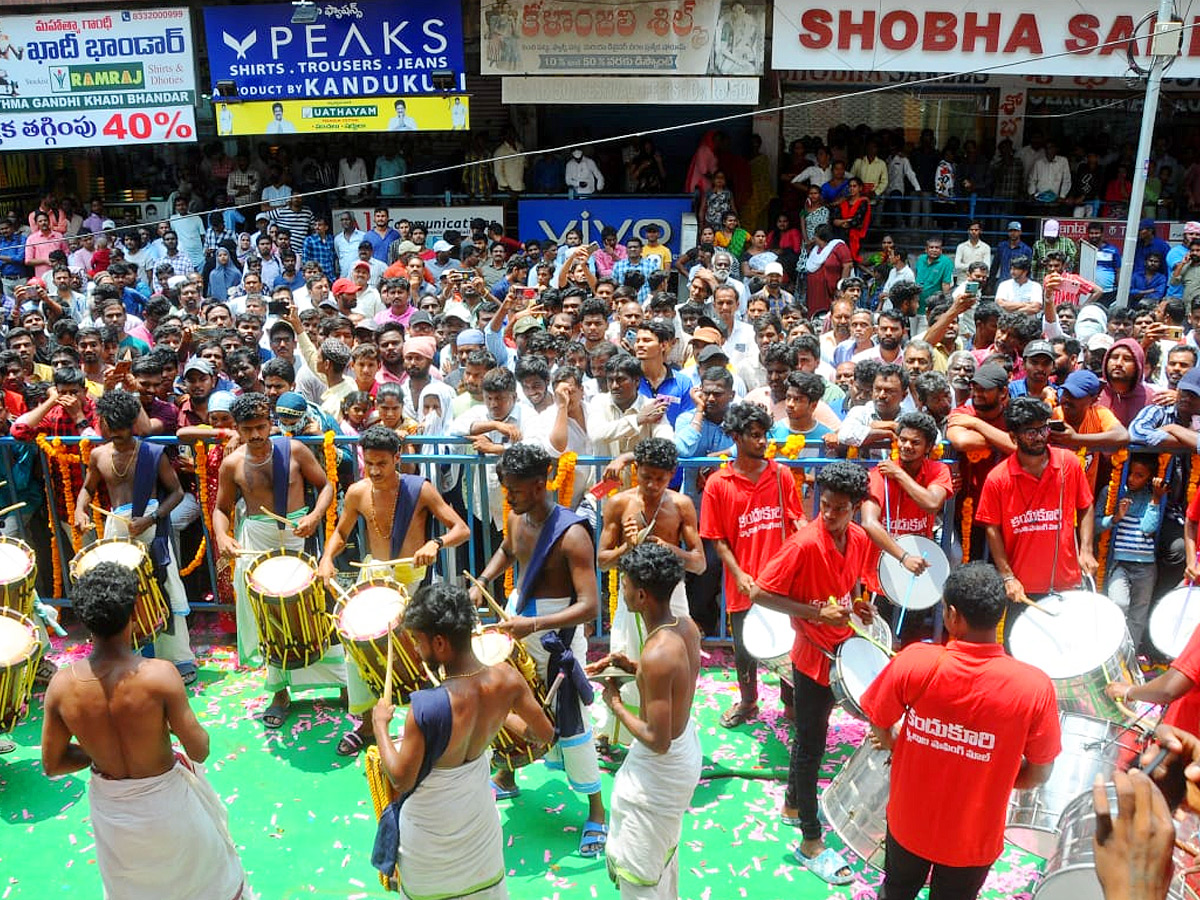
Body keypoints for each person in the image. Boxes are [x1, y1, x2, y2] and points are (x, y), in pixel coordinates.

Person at [40, 562, 248, 900]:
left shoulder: (62, 687)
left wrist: (99, 749)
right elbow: (199, 749)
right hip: (168, 806)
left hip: (114, 816)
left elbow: (53, 763)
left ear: (84, 617)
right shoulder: (160, 676)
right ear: (136, 609)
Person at [860, 563, 1060, 900]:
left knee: (896, 892)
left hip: (909, 825)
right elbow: (1039, 773)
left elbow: (879, 724)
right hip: (973, 839)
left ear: (953, 615)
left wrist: (901, 744)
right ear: (999, 614)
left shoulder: (915, 662)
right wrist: (990, 771)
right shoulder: (1034, 687)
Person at [372, 583, 554, 900]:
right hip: (480, 838)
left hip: (431, 852)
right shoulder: (507, 680)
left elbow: (401, 778)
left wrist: (380, 727)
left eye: (417, 640)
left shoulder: (425, 708)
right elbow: (543, 734)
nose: (415, 649)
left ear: (440, 643)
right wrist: (501, 714)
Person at [468, 443, 607, 857]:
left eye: (516, 490)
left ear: (541, 482)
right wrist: (483, 581)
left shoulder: (573, 533)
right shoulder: (515, 516)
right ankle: (507, 777)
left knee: (572, 723)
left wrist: (534, 624)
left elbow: (590, 605)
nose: (509, 498)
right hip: (517, 621)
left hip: (555, 637)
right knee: (506, 703)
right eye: (506, 489)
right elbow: (508, 552)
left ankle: (597, 811)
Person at [750, 461, 875, 886]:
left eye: (841, 508)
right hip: (810, 657)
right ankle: (810, 839)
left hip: (839, 650)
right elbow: (760, 592)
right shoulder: (803, 544)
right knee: (810, 747)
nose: (831, 514)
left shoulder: (857, 538)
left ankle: (790, 805)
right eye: (826, 505)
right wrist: (816, 613)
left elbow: (850, 585)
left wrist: (857, 604)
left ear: (856, 508)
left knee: (810, 738)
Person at [317, 426, 469, 755]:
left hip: (413, 578)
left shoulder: (421, 490)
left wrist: (436, 542)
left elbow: (461, 529)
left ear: (397, 459)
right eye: (368, 463)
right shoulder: (358, 492)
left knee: (417, 653)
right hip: (373, 576)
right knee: (357, 645)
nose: (373, 471)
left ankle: (425, 724)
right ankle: (369, 724)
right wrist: (327, 558)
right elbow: (341, 534)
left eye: (381, 464)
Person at [212, 392, 346, 730]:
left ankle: (341, 683)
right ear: (238, 429)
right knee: (270, 618)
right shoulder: (232, 464)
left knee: (311, 612)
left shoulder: (295, 450)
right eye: (248, 429)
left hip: (297, 537)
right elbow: (220, 510)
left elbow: (326, 486)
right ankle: (280, 692)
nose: (256, 435)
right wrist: (223, 537)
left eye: (261, 426)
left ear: (271, 423)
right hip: (255, 542)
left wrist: (315, 516)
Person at [587, 543, 703, 900]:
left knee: (639, 873)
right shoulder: (685, 627)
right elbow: (675, 682)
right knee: (662, 857)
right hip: (684, 754)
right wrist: (630, 667)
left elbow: (658, 738)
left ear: (640, 595)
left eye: (623, 585)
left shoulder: (657, 653)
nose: (620, 591)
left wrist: (616, 703)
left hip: (663, 764)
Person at [74, 391, 196, 683]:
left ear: (133, 425)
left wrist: (152, 518)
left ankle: (180, 659)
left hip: (151, 527)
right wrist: (80, 511)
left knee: (164, 588)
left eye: (122, 430)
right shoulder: (98, 455)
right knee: (121, 592)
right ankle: (128, 654)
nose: (117, 436)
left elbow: (177, 492)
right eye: (111, 430)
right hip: (117, 530)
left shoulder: (152, 454)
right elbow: (88, 489)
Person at [701, 401, 805, 726]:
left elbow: (797, 518)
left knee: (789, 646)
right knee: (745, 648)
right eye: (755, 435)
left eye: (764, 435)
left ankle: (791, 705)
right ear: (735, 436)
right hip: (743, 583)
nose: (762, 442)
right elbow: (717, 540)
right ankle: (748, 703)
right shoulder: (718, 484)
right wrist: (739, 573)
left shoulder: (781, 475)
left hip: (784, 582)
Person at [596, 438, 704, 749]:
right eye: (646, 477)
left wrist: (668, 548)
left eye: (661, 478)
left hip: (671, 595)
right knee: (625, 657)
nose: (653, 485)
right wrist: (627, 547)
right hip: (632, 594)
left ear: (672, 474)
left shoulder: (682, 505)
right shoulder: (618, 504)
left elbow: (699, 563)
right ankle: (618, 735)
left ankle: (671, 731)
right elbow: (603, 562)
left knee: (675, 664)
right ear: (635, 471)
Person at [976, 397, 1097, 640]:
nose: (1040, 436)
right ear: (1013, 437)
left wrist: (1086, 549)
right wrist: (1008, 577)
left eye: (1043, 428)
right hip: (1023, 590)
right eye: (1030, 431)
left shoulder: (1069, 463)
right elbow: (992, 529)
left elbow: (1085, 505)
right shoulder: (997, 478)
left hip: (1067, 583)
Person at [859, 411, 953, 642]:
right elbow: (869, 523)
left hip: (917, 574)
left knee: (910, 640)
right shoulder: (878, 476)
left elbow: (932, 503)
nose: (907, 446)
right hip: (882, 573)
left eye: (915, 442)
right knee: (878, 641)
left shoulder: (938, 471)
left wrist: (899, 474)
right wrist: (903, 557)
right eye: (903, 440)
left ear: (929, 446)